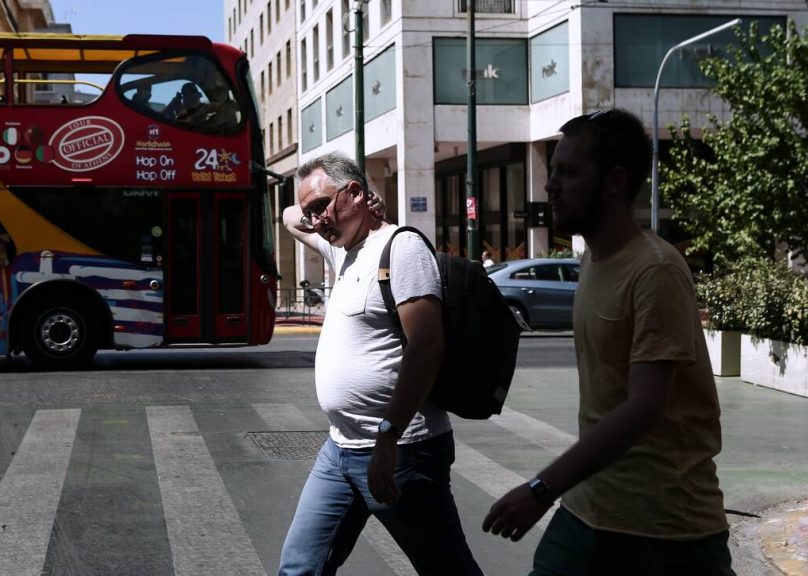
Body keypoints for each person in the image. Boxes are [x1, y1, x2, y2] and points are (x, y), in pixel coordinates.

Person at [481, 108, 734, 575]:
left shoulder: (655, 270)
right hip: (588, 509)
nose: (550, 186)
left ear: (615, 180)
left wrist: (541, 489)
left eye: (569, 173)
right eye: (552, 172)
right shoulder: (594, 262)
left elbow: (644, 407)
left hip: (665, 530)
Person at [278, 151, 483, 576]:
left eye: (322, 206)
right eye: (311, 211)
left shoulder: (401, 249)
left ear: (355, 192)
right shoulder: (342, 250)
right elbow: (288, 217)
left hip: (404, 451)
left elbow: (426, 347)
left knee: (446, 569)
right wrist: (317, 210)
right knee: (299, 568)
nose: (315, 220)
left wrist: (389, 437)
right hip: (340, 448)